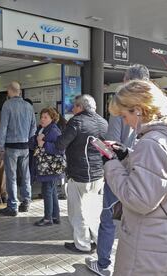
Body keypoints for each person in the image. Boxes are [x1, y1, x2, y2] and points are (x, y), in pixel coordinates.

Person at [101, 80, 167, 275]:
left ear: (139, 110)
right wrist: (128, 156)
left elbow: (139, 200)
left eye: (124, 115)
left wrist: (111, 164)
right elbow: (162, 177)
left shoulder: (152, 143)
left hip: (150, 251)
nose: (124, 122)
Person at [86, 64, 150, 275]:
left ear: (126, 80)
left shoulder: (124, 104)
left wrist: (110, 159)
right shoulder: (155, 107)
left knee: (108, 217)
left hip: (123, 171)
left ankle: (103, 264)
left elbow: (113, 144)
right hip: (147, 176)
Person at [55, 94, 108, 253]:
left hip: (79, 175)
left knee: (77, 213)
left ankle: (82, 245)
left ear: (80, 107)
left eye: (74, 106)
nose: (72, 109)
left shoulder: (76, 121)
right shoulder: (103, 122)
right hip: (98, 175)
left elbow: (61, 144)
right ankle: (97, 241)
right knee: (92, 210)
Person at [0, 81, 36, 216]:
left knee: (11, 177)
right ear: (19, 91)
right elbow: (33, 126)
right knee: (26, 175)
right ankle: (26, 202)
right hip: (25, 146)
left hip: (11, 147)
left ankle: (12, 206)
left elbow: (3, 128)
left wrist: (0, 147)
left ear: (10, 91)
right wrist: (29, 140)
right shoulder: (28, 106)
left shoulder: (7, 105)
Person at [32, 107, 64, 226]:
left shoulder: (54, 131)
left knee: (47, 191)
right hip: (47, 166)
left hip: (50, 167)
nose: (42, 119)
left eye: (46, 117)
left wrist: (43, 144)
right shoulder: (43, 129)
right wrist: (37, 141)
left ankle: (47, 218)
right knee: (52, 190)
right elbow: (34, 142)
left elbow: (59, 149)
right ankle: (55, 216)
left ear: (52, 118)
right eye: (41, 117)